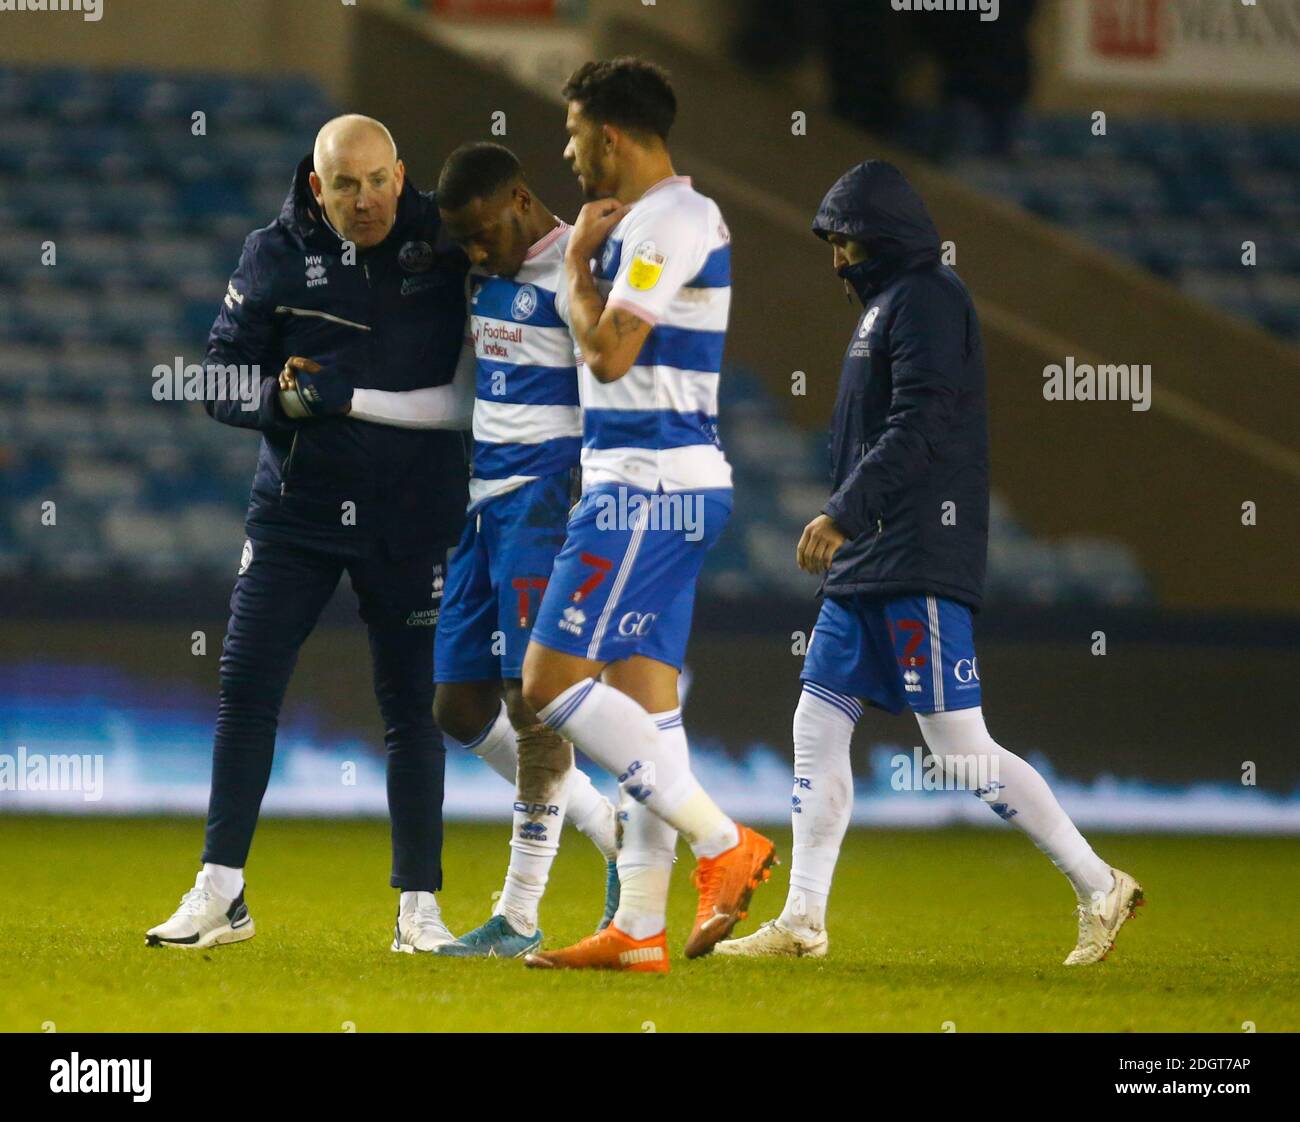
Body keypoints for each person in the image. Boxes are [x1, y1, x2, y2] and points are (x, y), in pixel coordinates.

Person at [715, 160, 1144, 965]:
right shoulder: (889, 305)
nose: (838, 257)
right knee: (816, 721)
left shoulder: (930, 301)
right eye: (832, 243)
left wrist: (845, 510)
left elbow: (920, 421)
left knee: (956, 744)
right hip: (876, 557)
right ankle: (804, 920)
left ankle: (1098, 884)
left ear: (883, 234)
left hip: (916, 555)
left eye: (846, 240)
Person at [145, 116, 471, 953]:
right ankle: (222, 891)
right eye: (345, 186)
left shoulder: (448, 239)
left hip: (410, 517)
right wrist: (279, 403)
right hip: (295, 517)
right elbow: (213, 374)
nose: (366, 202)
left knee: (412, 711)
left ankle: (418, 911)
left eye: (378, 181)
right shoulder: (274, 253)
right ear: (316, 186)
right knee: (246, 688)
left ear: (401, 174)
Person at [515, 57, 776, 973]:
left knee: (548, 686)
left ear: (611, 136)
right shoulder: (666, 220)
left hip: (646, 490)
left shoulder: (673, 219)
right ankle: (638, 929)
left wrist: (579, 265)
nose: (567, 146)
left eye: (574, 130)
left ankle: (722, 844)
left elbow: (613, 351)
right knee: (645, 711)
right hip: (654, 485)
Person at [340, 141, 623, 957]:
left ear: (521, 200)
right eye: (460, 240)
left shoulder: (579, 272)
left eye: (481, 233)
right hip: (482, 506)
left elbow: (615, 388)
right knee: (456, 707)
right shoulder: (484, 277)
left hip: (544, 503)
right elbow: (468, 391)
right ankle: (609, 826)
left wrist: (590, 499)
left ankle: (521, 914)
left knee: (531, 702)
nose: (473, 251)